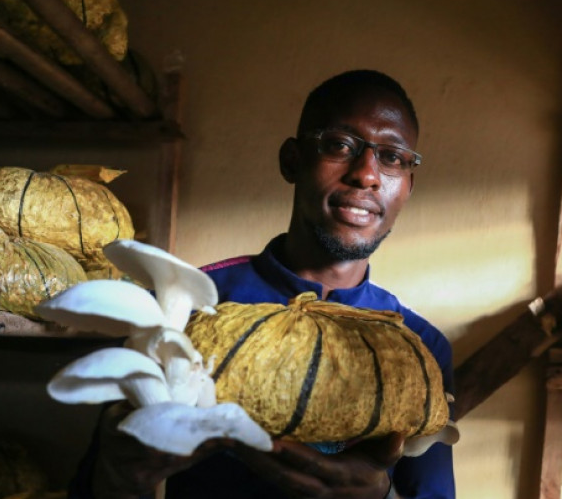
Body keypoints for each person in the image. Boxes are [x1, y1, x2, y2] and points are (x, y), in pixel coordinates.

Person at [69, 69, 455, 499]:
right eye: (340, 145)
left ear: (408, 187)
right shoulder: (183, 310)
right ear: (292, 161)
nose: (367, 174)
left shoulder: (420, 347)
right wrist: (120, 480)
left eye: (393, 157)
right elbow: (93, 488)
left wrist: (378, 495)